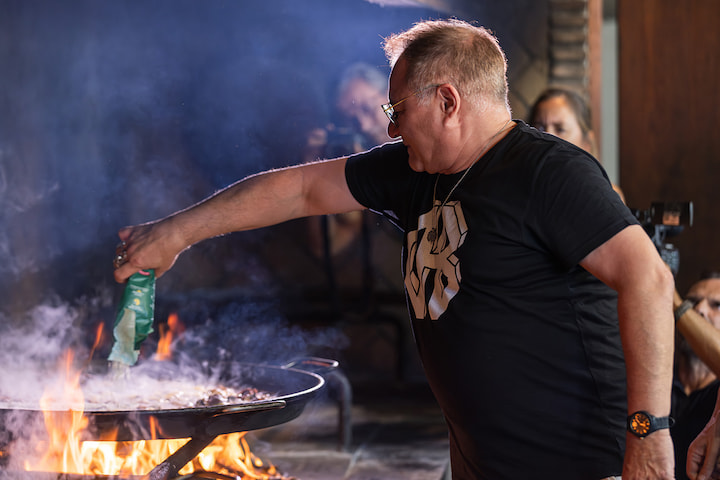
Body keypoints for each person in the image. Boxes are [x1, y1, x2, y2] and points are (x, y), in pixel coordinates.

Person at [113, 19, 676, 479]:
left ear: (448, 101)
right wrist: (176, 232)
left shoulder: (550, 172)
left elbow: (648, 281)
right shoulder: (416, 172)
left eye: (397, 111)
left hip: (587, 465)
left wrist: (649, 434)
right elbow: (300, 188)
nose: (390, 130)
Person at [528, 86, 626, 203]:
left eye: (560, 129)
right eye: (539, 128)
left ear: (586, 143)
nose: (547, 136)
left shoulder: (607, 195)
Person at [673, 272, 720, 479]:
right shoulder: (649, 384)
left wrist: (673, 299)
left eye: (716, 305)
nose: (698, 309)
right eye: (691, 302)